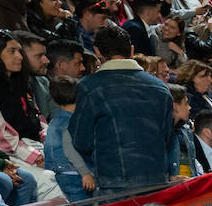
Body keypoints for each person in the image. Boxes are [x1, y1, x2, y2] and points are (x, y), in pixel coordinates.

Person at [70, 24, 177, 194]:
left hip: (113, 181)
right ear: (132, 50)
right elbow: (168, 137)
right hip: (157, 178)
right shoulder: (160, 87)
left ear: (97, 51)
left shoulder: (89, 86)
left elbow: (81, 139)